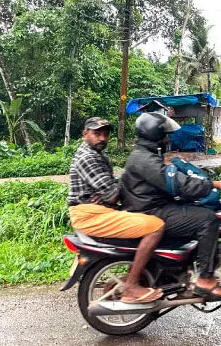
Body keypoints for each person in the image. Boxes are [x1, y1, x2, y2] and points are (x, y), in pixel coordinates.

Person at [120, 112, 221, 299]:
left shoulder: (144, 155)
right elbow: (178, 184)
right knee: (207, 220)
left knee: (196, 209)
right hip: (152, 211)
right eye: (164, 134)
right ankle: (205, 280)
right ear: (155, 135)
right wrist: (215, 184)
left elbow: (171, 181)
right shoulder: (145, 160)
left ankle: (185, 267)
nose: (167, 138)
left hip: (151, 206)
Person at [67, 117, 166, 304]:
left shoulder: (96, 155)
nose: (102, 138)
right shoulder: (88, 158)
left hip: (99, 211)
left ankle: (136, 278)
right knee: (156, 226)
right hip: (91, 215)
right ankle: (131, 287)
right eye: (97, 133)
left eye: (105, 134)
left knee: (145, 220)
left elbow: (110, 192)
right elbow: (112, 194)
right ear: (85, 133)